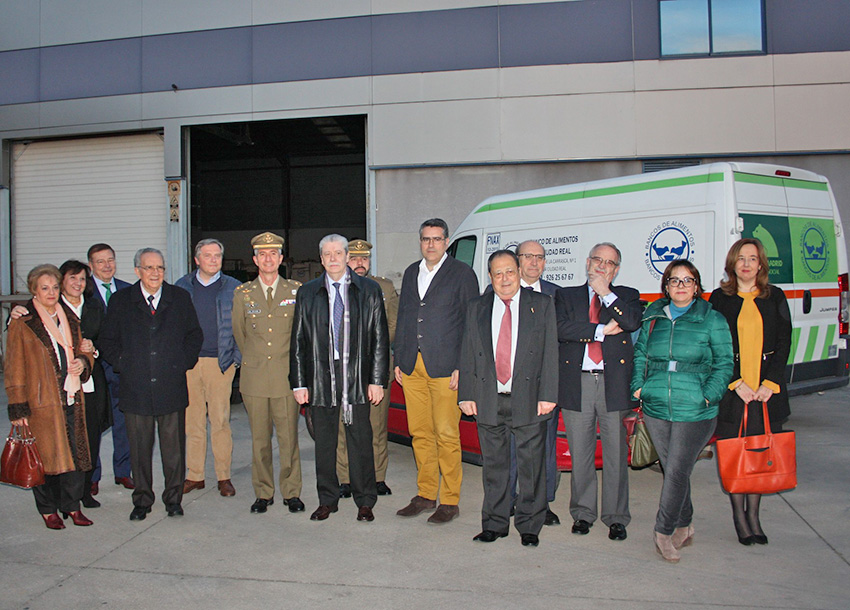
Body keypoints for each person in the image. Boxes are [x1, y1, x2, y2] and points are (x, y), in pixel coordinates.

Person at [631, 260, 733, 562]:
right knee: (674, 469)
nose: (680, 286)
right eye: (674, 280)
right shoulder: (653, 316)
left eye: (687, 280)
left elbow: (725, 362)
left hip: (696, 410)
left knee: (675, 471)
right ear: (665, 286)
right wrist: (640, 386)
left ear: (697, 286)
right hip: (656, 404)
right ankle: (685, 525)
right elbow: (641, 353)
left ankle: (663, 532)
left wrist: (708, 396)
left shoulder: (712, 319)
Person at [459, 250, 558, 547]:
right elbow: (467, 352)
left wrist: (548, 395)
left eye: (510, 272)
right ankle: (494, 523)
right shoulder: (476, 307)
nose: (504, 279)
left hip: (529, 398)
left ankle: (529, 525)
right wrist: (466, 394)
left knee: (531, 467)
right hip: (490, 397)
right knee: (494, 467)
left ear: (519, 272)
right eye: (497, 273)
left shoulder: (541, 305)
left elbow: (551, 353)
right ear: (490, 277)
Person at [290, 235, 390, 522]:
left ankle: (365, 501)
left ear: (347, 256)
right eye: (327, 254)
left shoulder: (368, 290)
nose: (333, 258)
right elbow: (298, 341)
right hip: (321, 378)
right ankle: (327, 500)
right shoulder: (308, 292)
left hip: (357, 377)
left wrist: (376, 380)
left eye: (338, 253)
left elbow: (380, 338)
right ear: (321, 259)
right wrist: (299, 383)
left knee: (361, 441)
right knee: (324, 444)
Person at [99, 248, 203, 521]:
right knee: (139, 450)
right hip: (136, 388)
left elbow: (194, 336)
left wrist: (182, 362)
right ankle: (142, 500)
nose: (155, 273)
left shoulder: (179, 298)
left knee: (173, 451)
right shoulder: (122, 301)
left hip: (171, 386)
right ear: (137, 271)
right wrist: (123, 363)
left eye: (159, 268)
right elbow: (107, 340)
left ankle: (173, 499)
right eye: (148, 268)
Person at [394, 218, 479, 524]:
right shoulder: (411, 272)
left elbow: (472, 323)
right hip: (412, 366)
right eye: (425, 239)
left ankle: (450, 500)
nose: (430, 244)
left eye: (436, 239)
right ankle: (426, 494)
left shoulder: (462, 274)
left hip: (446, 368)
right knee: (419, 433)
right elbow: (405, 316)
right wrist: (399, 360)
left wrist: (463, 366)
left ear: (446, 242)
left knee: (446, 433)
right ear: (421, 242)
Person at [8, 260, 112, 510]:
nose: (51, 292)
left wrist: (84, 360)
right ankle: (48, 509)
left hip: (74, 396)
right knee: (45, 456)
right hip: (41, 401)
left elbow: (84, 350)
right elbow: (14, 368)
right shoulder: (25, 321)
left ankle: (72, 504)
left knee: (78, 452)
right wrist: (18, 408)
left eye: (54, 287)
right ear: (35, 290)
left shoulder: (70, 318)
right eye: (45, 288)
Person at [555, 243, 641, 541]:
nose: (602, 266)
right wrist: (599, 331)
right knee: (580, 452)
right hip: (577, 381)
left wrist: (606, 292)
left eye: (609, 262)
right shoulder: (566, 296)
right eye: (598, 260)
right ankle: (583, 513)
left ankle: (616, 516)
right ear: (587, 262)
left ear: (616, 269)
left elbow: (630, 321)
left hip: (613, 383)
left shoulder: (626, 296)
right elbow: (561, 328)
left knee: (616, 453)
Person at [709, 238, 792, 546]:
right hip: (734, 392)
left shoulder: (775, 297)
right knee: (734, 455)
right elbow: (714, 345)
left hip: (765, 393)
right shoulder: (719, 298)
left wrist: (770, 384)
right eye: (740, 258)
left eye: (752, 258)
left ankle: (754, 515)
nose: (746, 263)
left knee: (759, 454)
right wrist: (735, 382)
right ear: (732, 264)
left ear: (761, 264)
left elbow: (785, 341)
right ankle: (739, 517)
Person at [232, 232, 305, 515]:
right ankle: (263, 492)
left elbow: (301, 335)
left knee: (289, 441)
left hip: (286, 379)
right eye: (262, 254)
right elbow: (240, 335)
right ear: (255, 260)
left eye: (273, 253)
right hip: (255, 380)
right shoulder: (243, 294)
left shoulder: (296, 291)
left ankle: (291, 492)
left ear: (281, 259)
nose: (268, 258)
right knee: (260, 441)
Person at [176, 239, 242, 498]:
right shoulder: (181, 287)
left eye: (217, 256)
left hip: (221, 363)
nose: (213, 260)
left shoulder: (234, 288)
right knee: (192, 422)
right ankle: (195, 476)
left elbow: (241, 326)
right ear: (196, 260)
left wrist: (235, 358)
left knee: (220, 421)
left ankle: (223, 476)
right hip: (190, 364)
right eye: (207, 255)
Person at [336, 239, 398, 498]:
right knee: (343, 425)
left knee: (377, 426)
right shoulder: (336, 287)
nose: (359, 263)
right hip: (344, 368)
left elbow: (393, 326)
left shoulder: (383, 287)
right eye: (354, 258)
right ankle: (345, 478)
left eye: (364, 259)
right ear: (346, 259)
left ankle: (378, 476)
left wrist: (371, 349)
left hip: (376, 365)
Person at [515, 239, 561, 525]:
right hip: (508, 386)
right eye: (528, 256)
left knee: (544, 447)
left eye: (540, 257)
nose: (534, 262)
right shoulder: (499, 289)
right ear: (517, 260)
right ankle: (509, 499)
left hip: (544, 385)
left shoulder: (558, 295)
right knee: (509, 447)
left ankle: (542, 504)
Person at [87, 243, 134, 493]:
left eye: (110, 260)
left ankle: (123, 472)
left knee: (122, 422)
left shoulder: (127, 291)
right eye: (100, 261)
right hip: (92, 369)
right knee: (94, 424)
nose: (106, 265)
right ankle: (93, 476)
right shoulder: (82, 291)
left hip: (119, 368)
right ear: (91, 266)